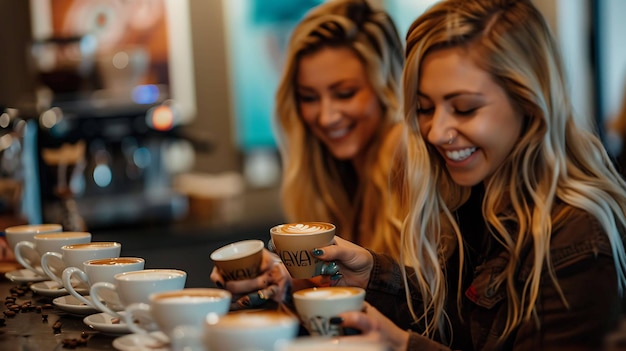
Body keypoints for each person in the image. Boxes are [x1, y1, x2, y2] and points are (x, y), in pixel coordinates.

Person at [216, 0, 626, 349]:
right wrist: (368, 274)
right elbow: (452, 324)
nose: (436, 131)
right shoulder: (474, 197)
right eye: (426, 108)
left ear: (531, 103)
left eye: (464, 107)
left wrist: (400, 343)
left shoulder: (577, 241)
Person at [211, 0, 408, 306]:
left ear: (388, 88)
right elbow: (333, 284)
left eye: (345, 94)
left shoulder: (408, 159)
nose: (327, 116)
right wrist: (281, 276)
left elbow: (426, 307)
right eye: (309, 97)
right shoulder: (329, 173)